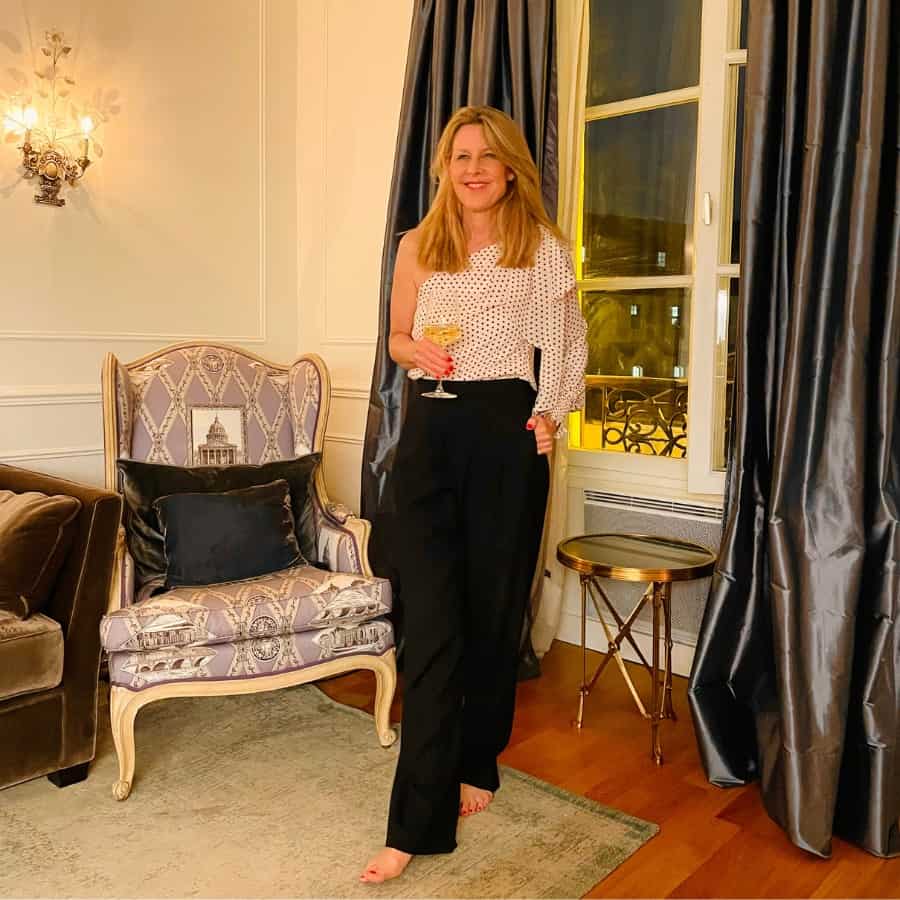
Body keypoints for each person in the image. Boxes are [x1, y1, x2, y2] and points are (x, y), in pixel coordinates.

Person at [360, 105, 588, 884]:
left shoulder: (541, 248)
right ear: (444, 168)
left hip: (504, 434)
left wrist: (549, 412)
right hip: (429, 432)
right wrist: (412, 350)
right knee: (430, 624)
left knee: (492, 615)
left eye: (488, 157)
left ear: (512, 168)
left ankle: (478, 756)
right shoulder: (417, 245)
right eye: (461, 156)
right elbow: (397, 336)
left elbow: (567, 343)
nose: (474, 169)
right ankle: (412, 825)